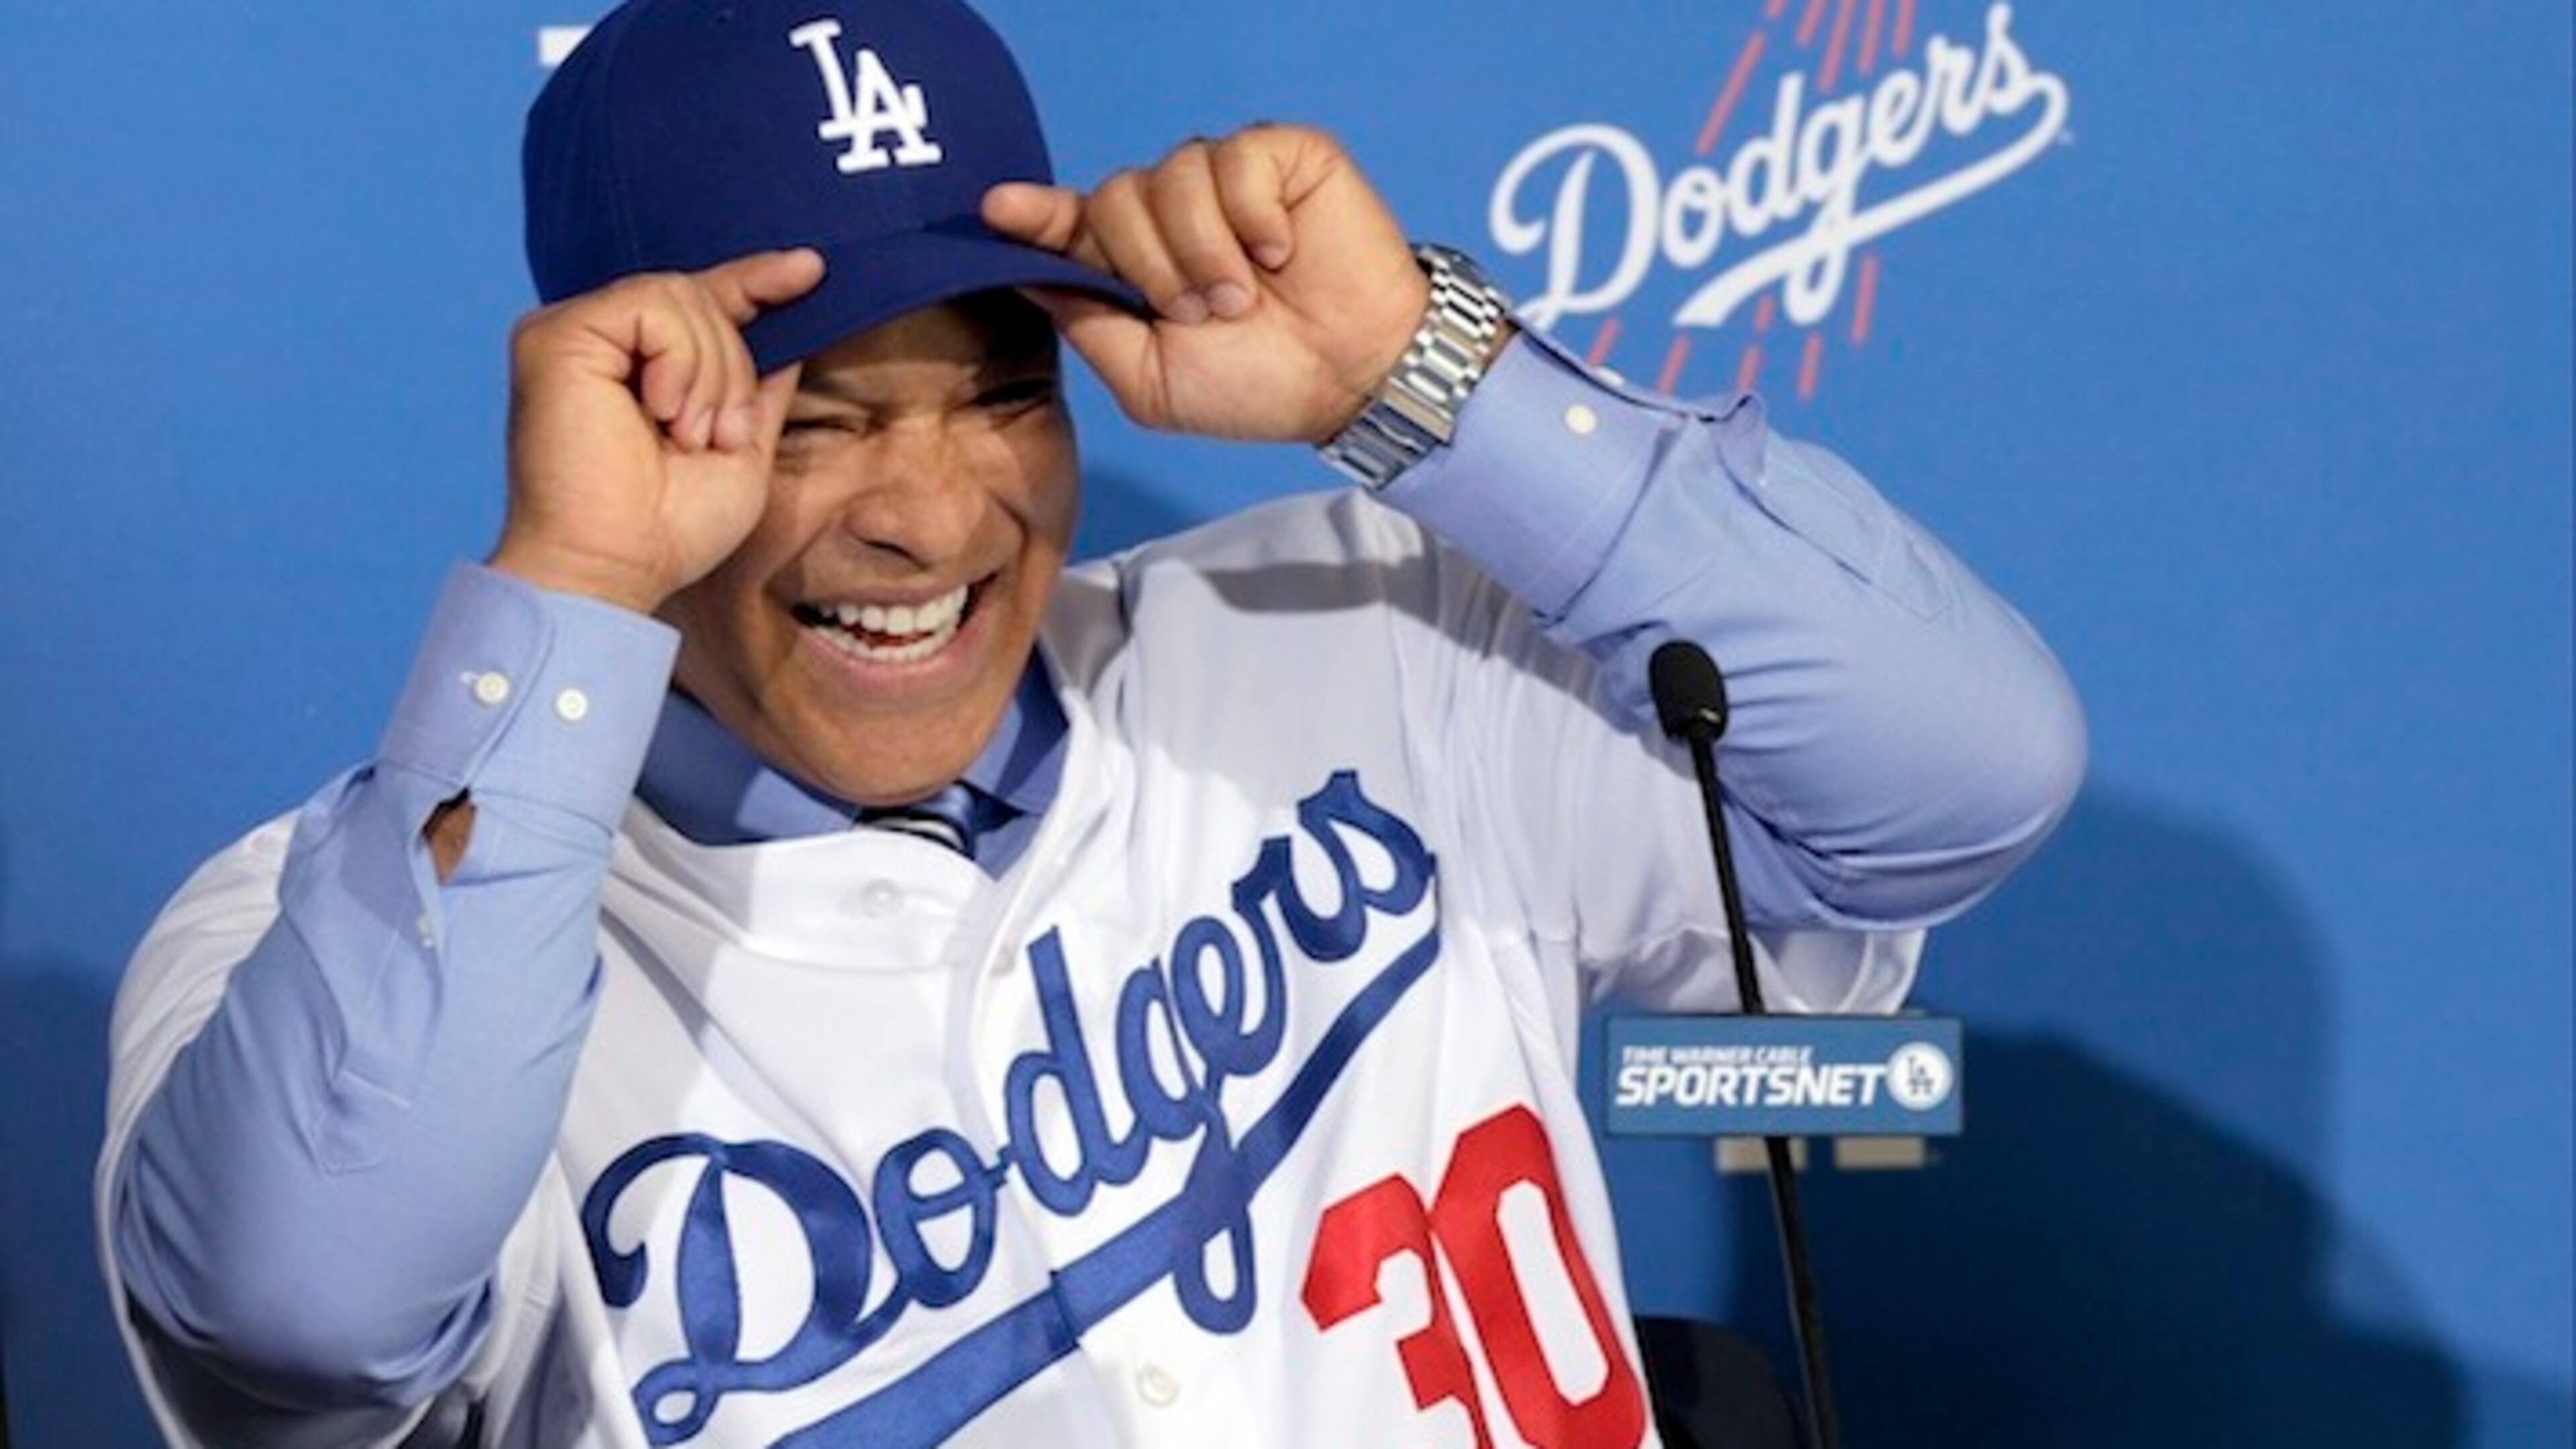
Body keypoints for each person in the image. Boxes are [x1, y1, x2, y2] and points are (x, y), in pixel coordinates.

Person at [95, 1, 2084, 1445]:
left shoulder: (1370, 624)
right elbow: (298, 1318)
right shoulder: (328, 930)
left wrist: (1429, 379)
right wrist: (570, 596)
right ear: (615, 417)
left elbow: (1969, 779)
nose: (937, 511)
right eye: (810, 412)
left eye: (995, 387)